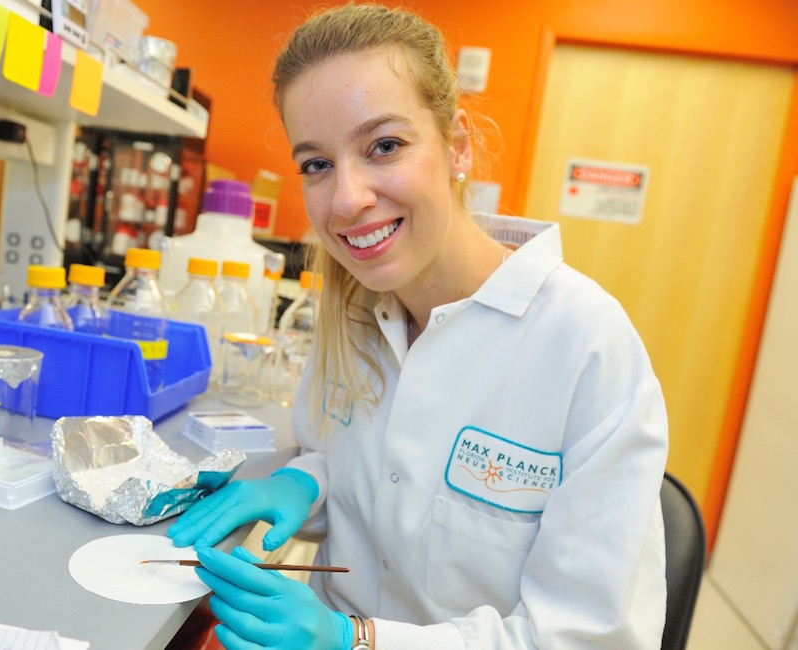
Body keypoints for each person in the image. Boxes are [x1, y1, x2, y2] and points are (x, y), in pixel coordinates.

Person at [167, 3, 669, 648]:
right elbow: (361, 465)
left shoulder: (586, 345)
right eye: (317, 164)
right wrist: (305, 481)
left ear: (457, 146)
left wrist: (357, 640)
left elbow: (591, 638)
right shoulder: (356, 307)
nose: (347, 199)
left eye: (385, 146)